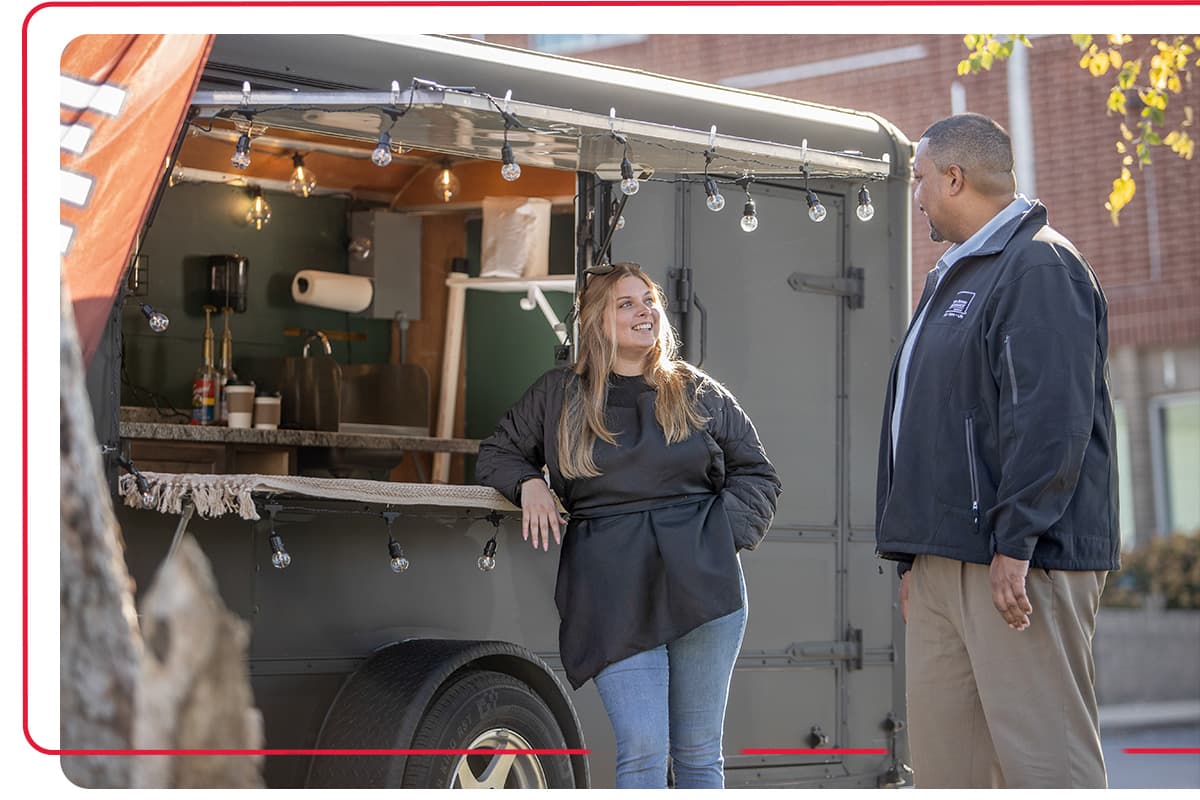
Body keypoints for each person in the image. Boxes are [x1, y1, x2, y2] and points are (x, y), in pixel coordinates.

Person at [874, 112, 1120, 789]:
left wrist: (1018, 539)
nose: (916, 194)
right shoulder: (957, 275)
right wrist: (914, 557)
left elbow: (1051, 417)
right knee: (950, 775)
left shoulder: (1040, 264)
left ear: (955, 178)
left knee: (1047, 768)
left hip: (1017, 564)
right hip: (944, 562)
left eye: (921, 179)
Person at [476, 262, 781, 789]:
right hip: (610, 586)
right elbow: (498, 453)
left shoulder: (697, 391)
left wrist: (711, 539)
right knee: (642, 747)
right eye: (627, 304)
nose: (646, 312)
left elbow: (757, 474)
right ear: (597, 321)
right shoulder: (558, 394)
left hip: (701, 582)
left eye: (650, 301)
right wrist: (529, 484)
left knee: (698, 754)